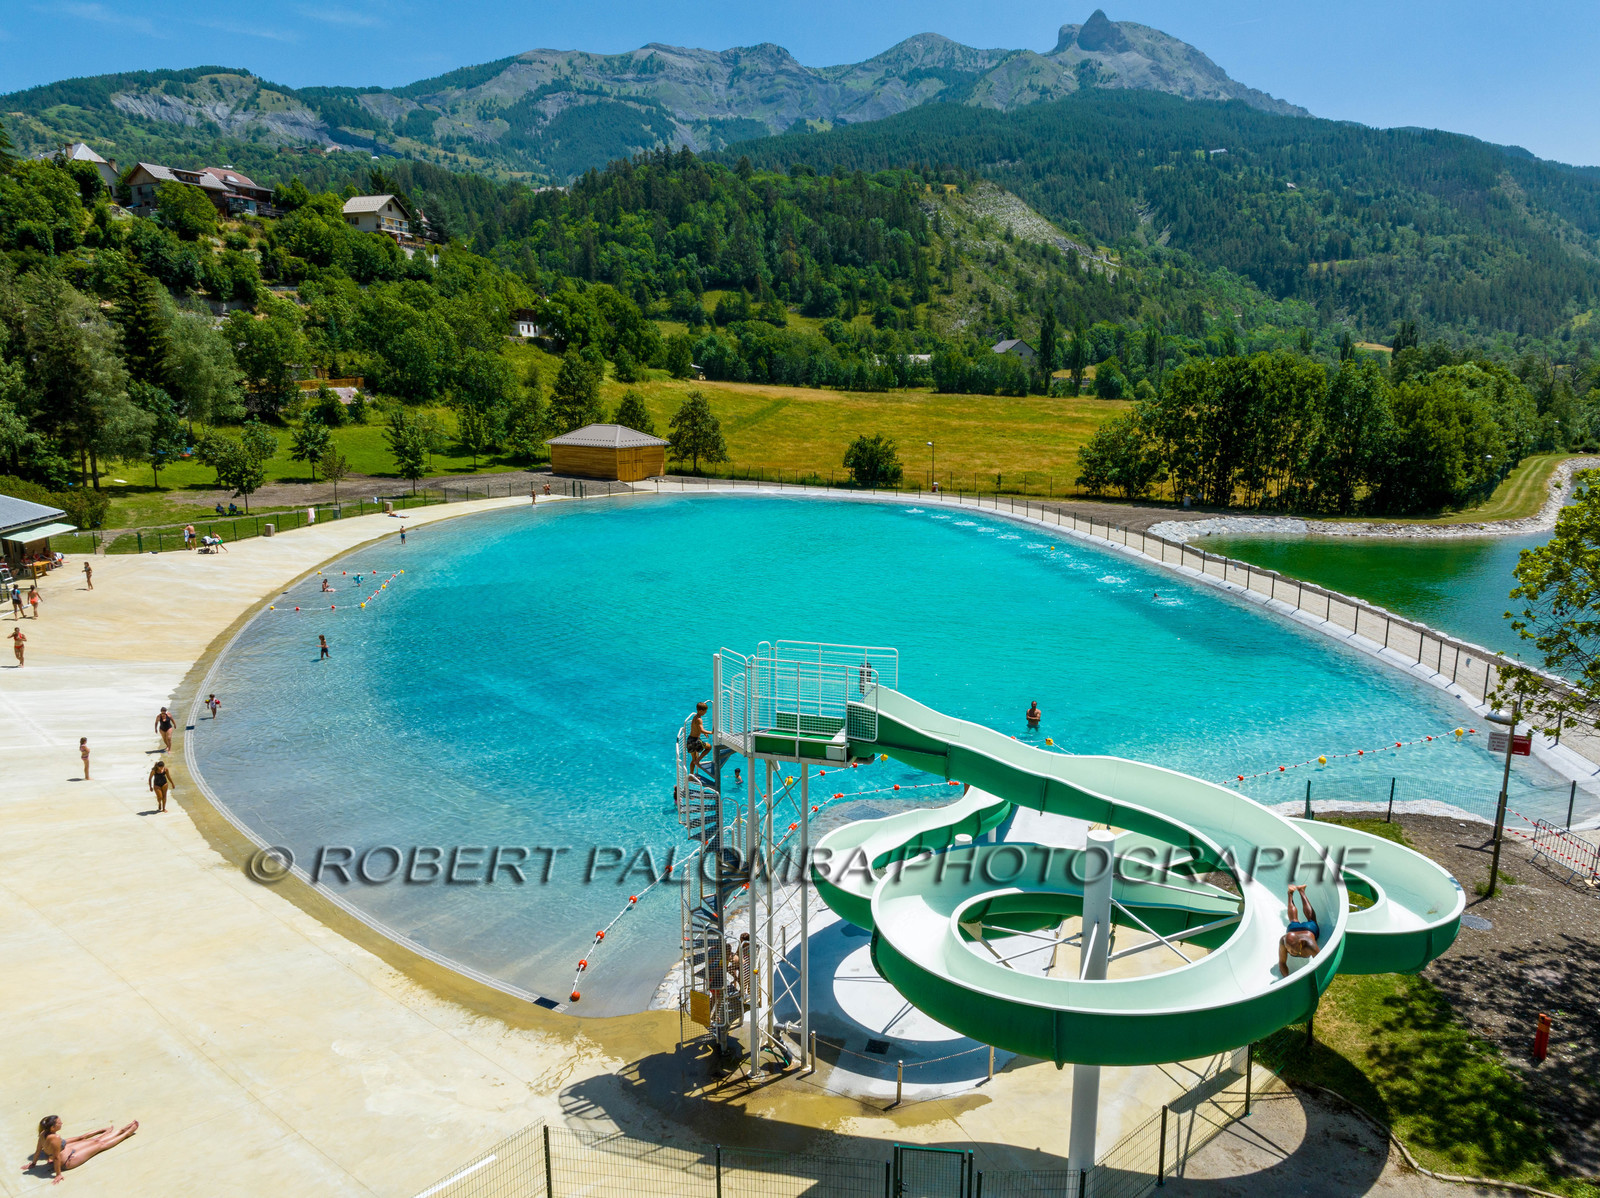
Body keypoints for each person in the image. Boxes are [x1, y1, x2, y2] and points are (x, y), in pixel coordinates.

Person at [27, 1116, 138, 1184]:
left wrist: (33, 1163)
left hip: (69, 1150)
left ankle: (120, 1131)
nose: (61, 1123)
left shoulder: (43, 1134)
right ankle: (126, 1133)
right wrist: (58, 1174)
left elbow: (38, 1150)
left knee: (96, 1141)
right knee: (100, 1145)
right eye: (59, 1122)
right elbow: (56, 1158)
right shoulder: (55, 1139)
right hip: (69, 1160)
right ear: (52, 1128)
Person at [1277, 884, 1321, 974]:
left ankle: (1301, 891)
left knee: (1311, 919)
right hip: (1293, 930)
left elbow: (1321, 964)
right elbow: (1281, 963)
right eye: (1288, 949)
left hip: (1309, 929)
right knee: (1293, 920)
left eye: (1292, 949)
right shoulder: (1283, 940)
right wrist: (1286, 979)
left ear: (1301, 942)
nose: (1290, 952)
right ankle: (1290, 893)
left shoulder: (1311, 945)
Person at [687, 701, 709, 776]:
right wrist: (711, 732)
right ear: (700, 711)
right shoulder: (699, 719)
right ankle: (698, 761)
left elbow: (697, 728)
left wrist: (704, 733)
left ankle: (691, 775)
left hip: (690, 739)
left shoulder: (695, 717)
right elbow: (701, 729)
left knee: (693, 759)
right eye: (705, 711)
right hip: (695, 741)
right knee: (709, 747)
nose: (705, 713)